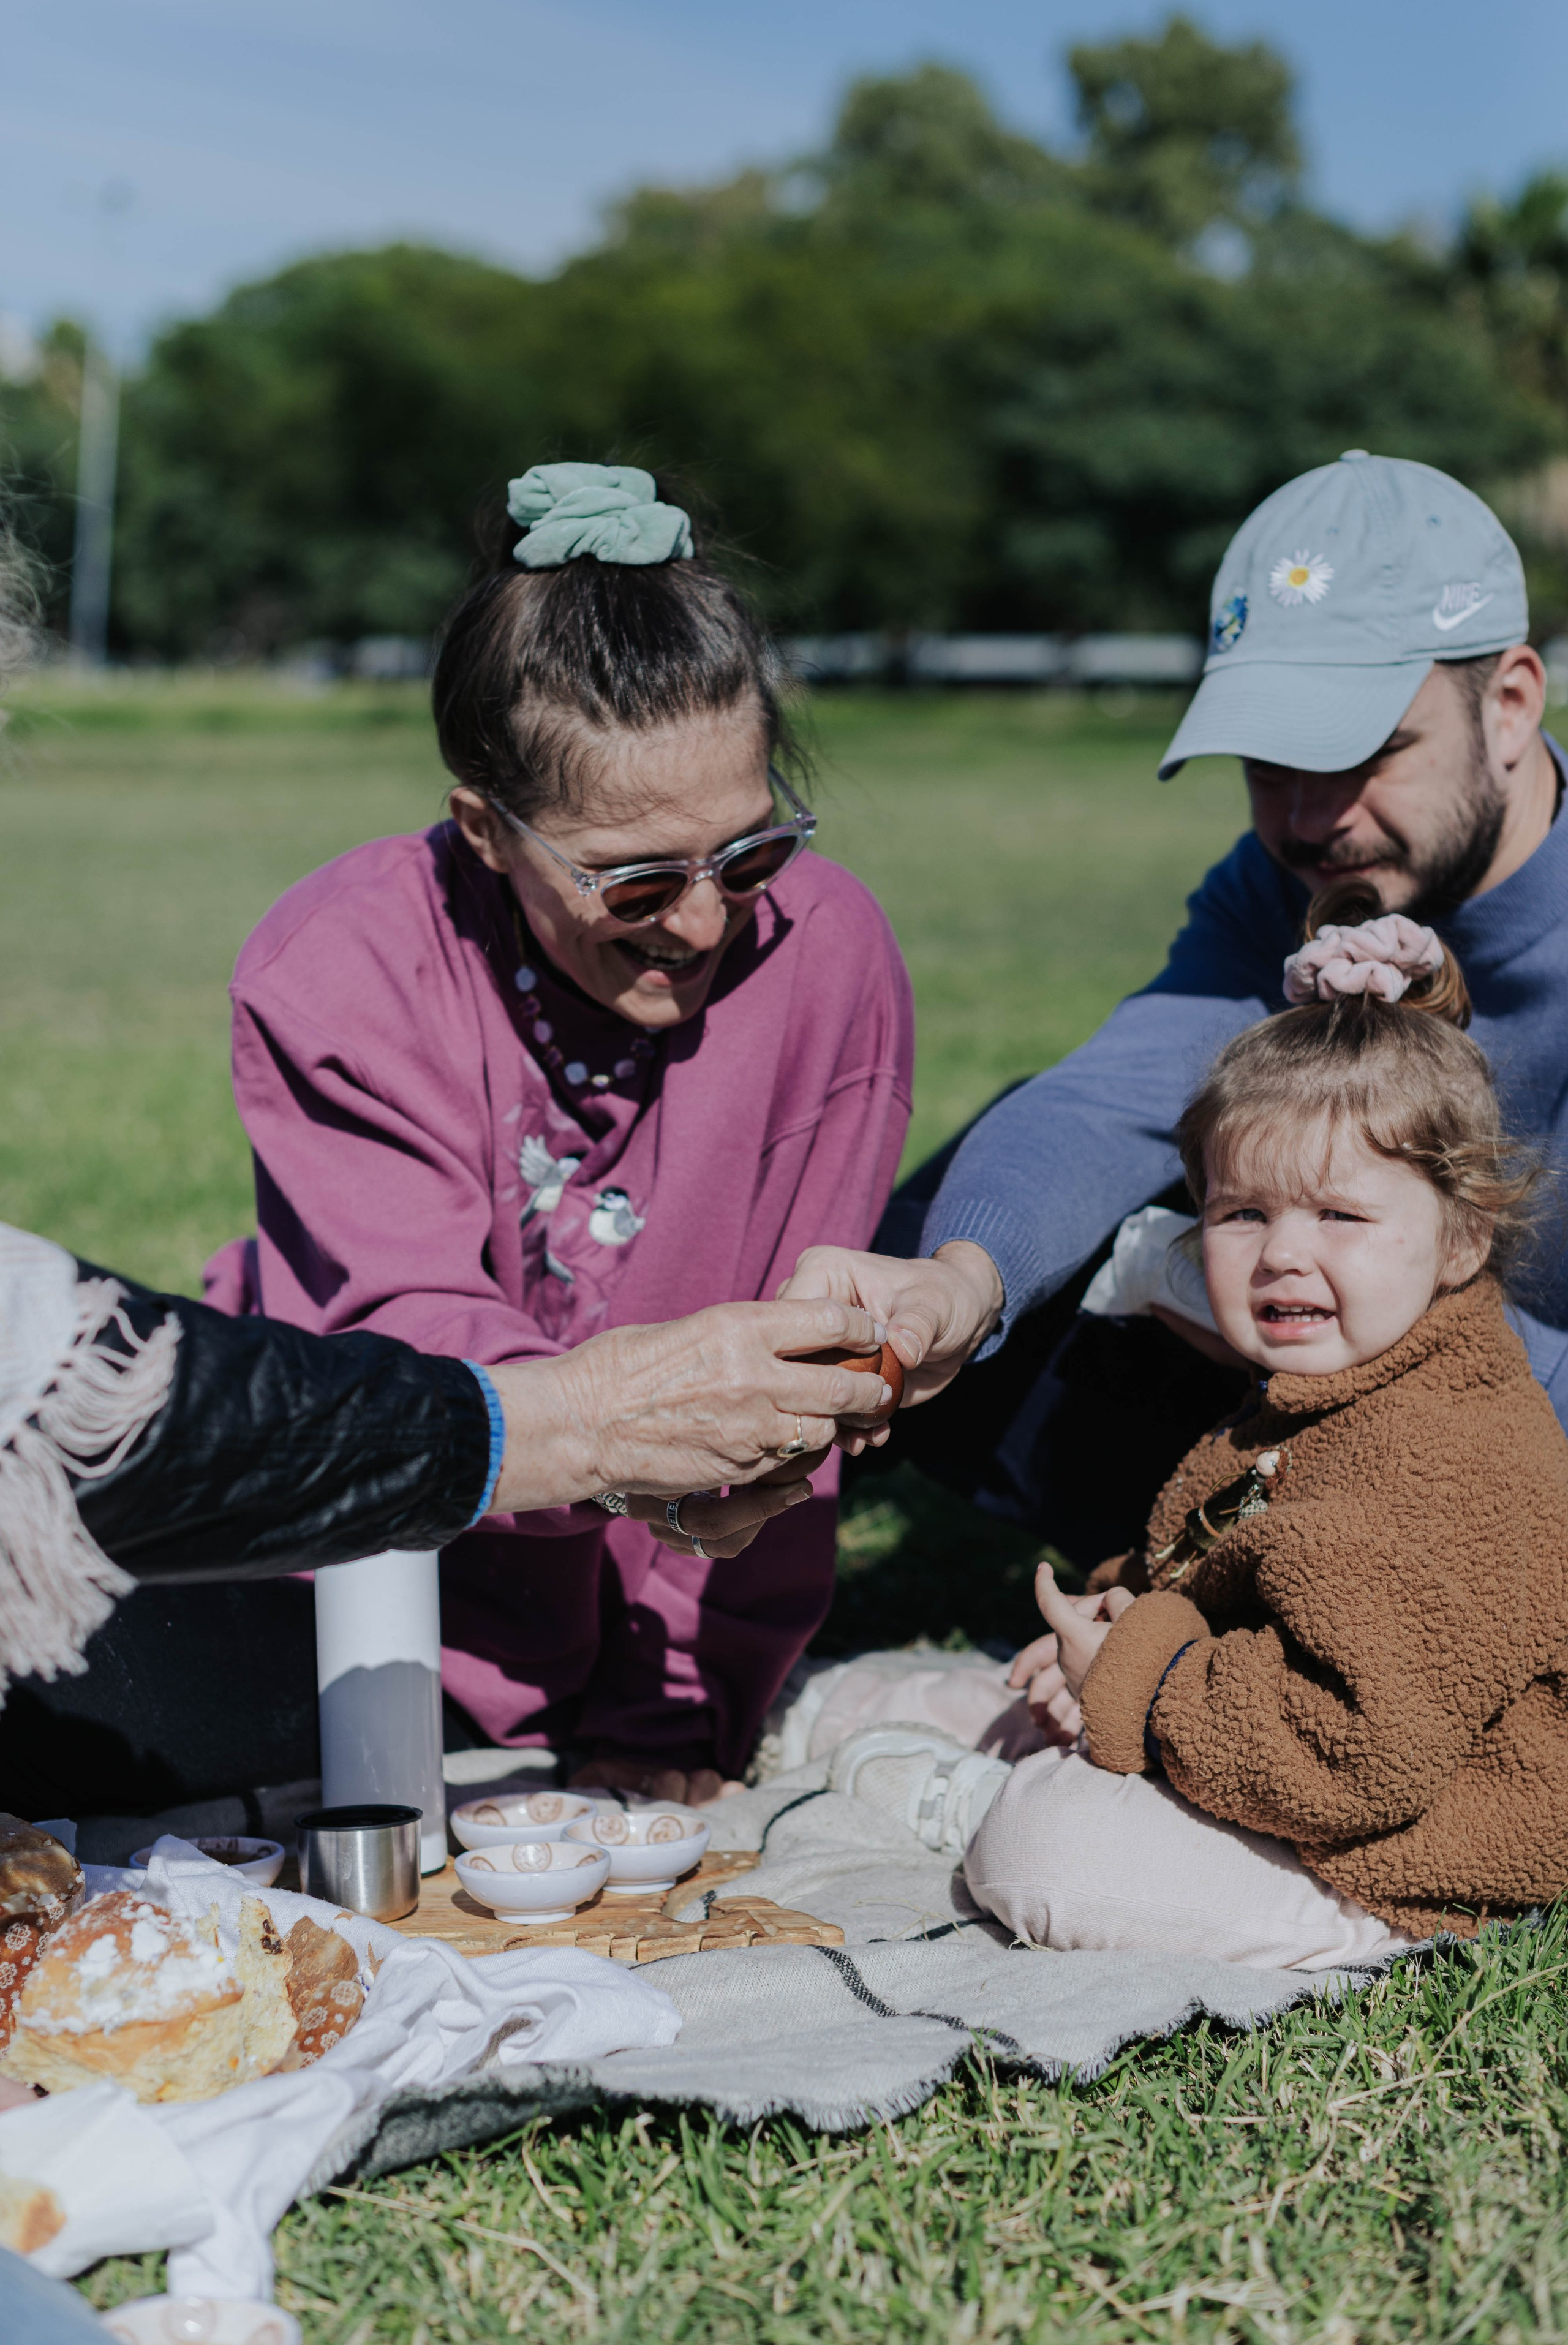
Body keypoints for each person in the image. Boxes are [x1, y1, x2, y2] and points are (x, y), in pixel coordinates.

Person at [0, 519, 890, 1821]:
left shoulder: (830, 955)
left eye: (749, 854)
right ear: (486, 828)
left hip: (642, 1622)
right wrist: (615, 1438)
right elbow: (406, 1353)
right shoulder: (338, 962)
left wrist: (678, 1702)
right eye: (636, 883)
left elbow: (803, 1384)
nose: (704, 921)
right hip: (354, 1585)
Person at [789, 453, 1568, 1558]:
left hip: (1516, 1422)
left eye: (1362, 754)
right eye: (1267, 765)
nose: (1308, 821)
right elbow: (1112, 1098)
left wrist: (1383, 1332)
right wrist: (960, 1284)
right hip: (1339, 1367)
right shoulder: (1290, 883)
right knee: (998, 1207)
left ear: (1511, 705)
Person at [793, 892, 1568, 1966]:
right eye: (1243, 1213)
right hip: (1267, 1746)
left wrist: (1142, 1677)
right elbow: (1231, 1559)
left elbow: (1360, 1756)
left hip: (1404, 1850)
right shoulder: (1335, 1387)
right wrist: (1129, 1614)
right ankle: (950, 1736)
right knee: (925, 1698)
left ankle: (991, 1803)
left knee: (1046, 1851)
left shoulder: (1448, 1458)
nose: (1283, 1254)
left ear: (1462, 1240)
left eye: (1339, 1216)